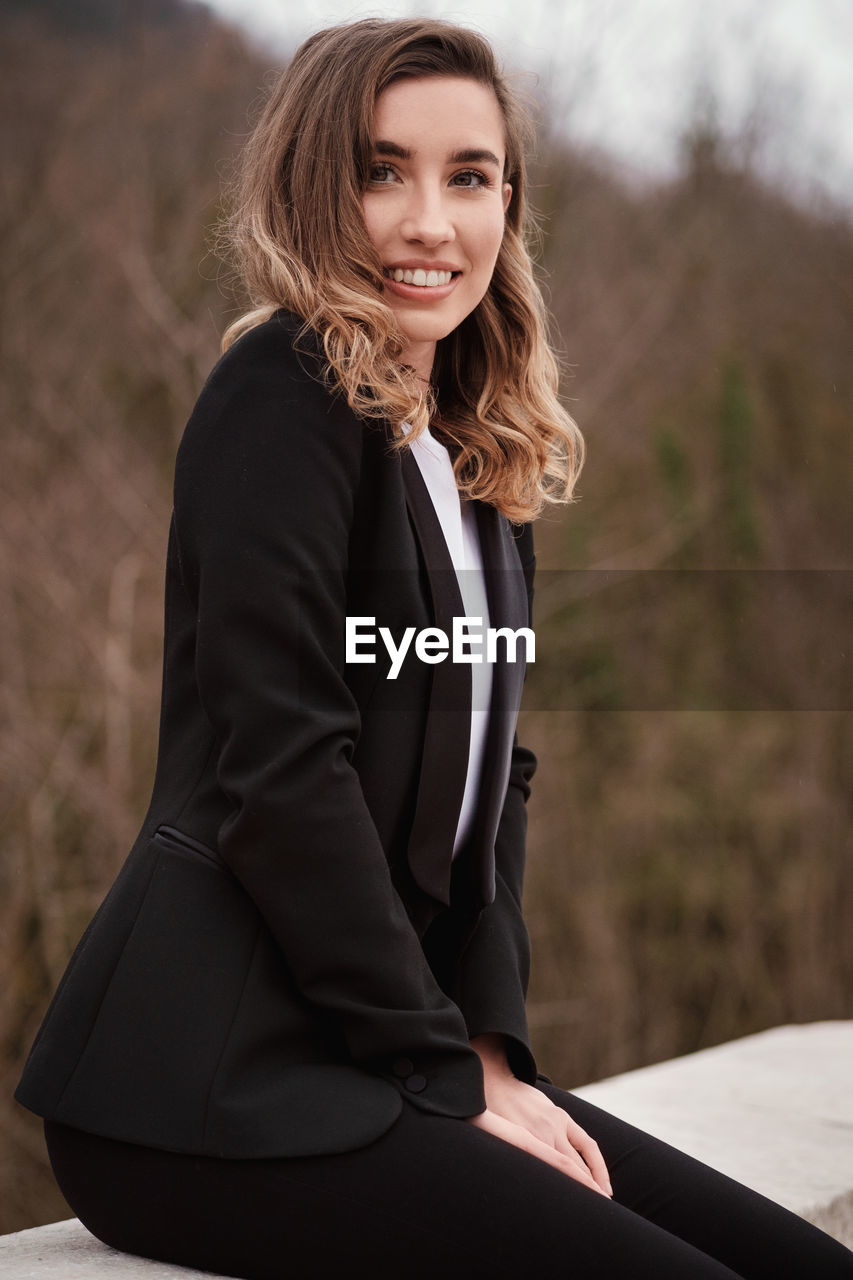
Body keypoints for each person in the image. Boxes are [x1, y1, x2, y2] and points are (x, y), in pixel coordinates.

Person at [15, 18, 852, 1280]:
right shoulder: (281, 398)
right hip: (204, 1088)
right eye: (380, 170)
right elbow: (285, 769)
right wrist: (438, 1063)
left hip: (383, 1053)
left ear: (509, 203)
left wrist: (497, 1048)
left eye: (470, 176)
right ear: (311, 188)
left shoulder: (477, 451)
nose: (429, 220)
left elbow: (488, 782)